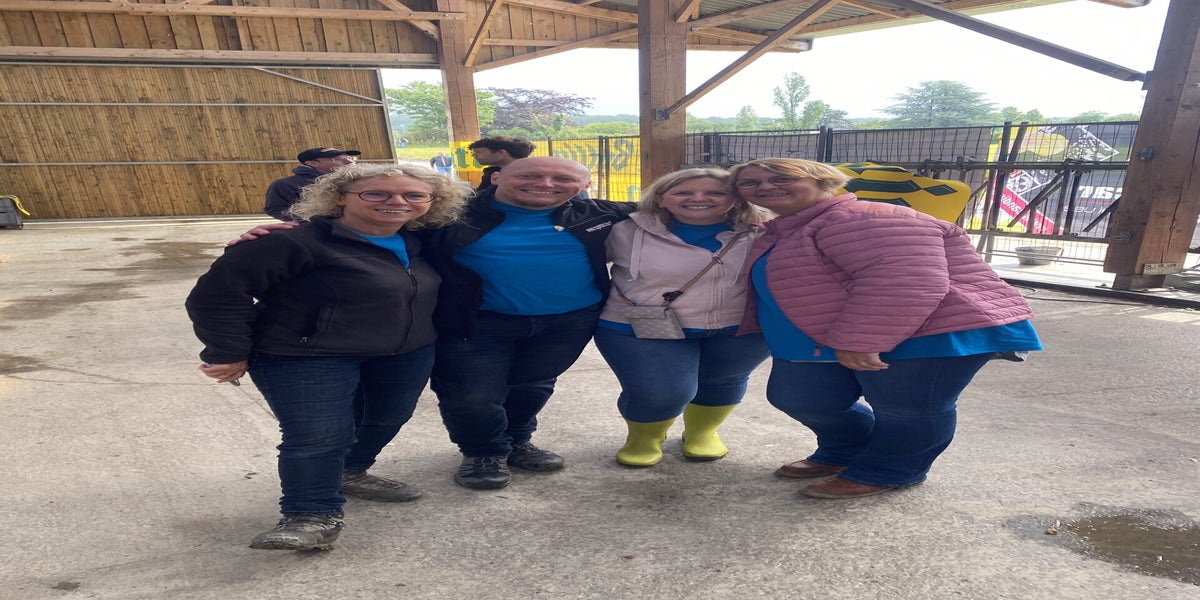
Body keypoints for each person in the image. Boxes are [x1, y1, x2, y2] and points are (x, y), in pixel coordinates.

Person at [186, 163, 470, 550]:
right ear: (339, 197)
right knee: (318, 435)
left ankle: (350, 471)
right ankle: (310, 515)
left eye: (414, 195)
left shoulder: (423, 241)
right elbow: (217, 295)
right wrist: (228, 351)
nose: (397, 201)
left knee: (386, 417)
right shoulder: (292, 242)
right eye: (376, 193)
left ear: (432, 202)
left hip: (405, 352)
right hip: (306, 354)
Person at [731, 158, 1043, 500]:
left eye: (782, 177)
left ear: (822, 181)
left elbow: (905, 280)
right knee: (801, 397)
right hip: (836, 333)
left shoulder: (865, 217)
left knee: (906, 408)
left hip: (930, 329)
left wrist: (862, 339)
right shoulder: (786, 227)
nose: (765, 187)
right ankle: (848, 449)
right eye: (751, 183)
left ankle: (889, 470)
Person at [419, 156, 635, 490]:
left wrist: (732, 210)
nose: (545, 184)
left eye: (563, 179)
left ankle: (517, 440)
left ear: (585, 185)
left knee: (533, 384)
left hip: (569, 321)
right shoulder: (448, 214)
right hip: (476, 322)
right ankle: (482, 452)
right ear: (495, 178)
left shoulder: (598, 213)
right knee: (471, 393)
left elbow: (678, 204)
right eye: (530, 175)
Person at [593, 168, 772, 467]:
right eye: (683, 192)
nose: (698, 199)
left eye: (715, 193)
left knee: (723, 382)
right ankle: (644, 438)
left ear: (736, 199)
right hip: (640, 326)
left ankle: (702, 432)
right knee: (659, 393)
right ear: (661, 199)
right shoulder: (625, 231)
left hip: (740, 327)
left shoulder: (764, 231)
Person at [264, 147, 360, 221]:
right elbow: (276, 209)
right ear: (312, 163)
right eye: (337, 159)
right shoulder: (286, 184)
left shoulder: (361, 182)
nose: (349, 161)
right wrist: (312, 222)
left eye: (350, 157)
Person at [467, 136, 535, 192]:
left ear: (501, 153)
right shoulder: (492, 172)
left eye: (478, 152)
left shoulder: (531, 175)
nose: (473, 155)